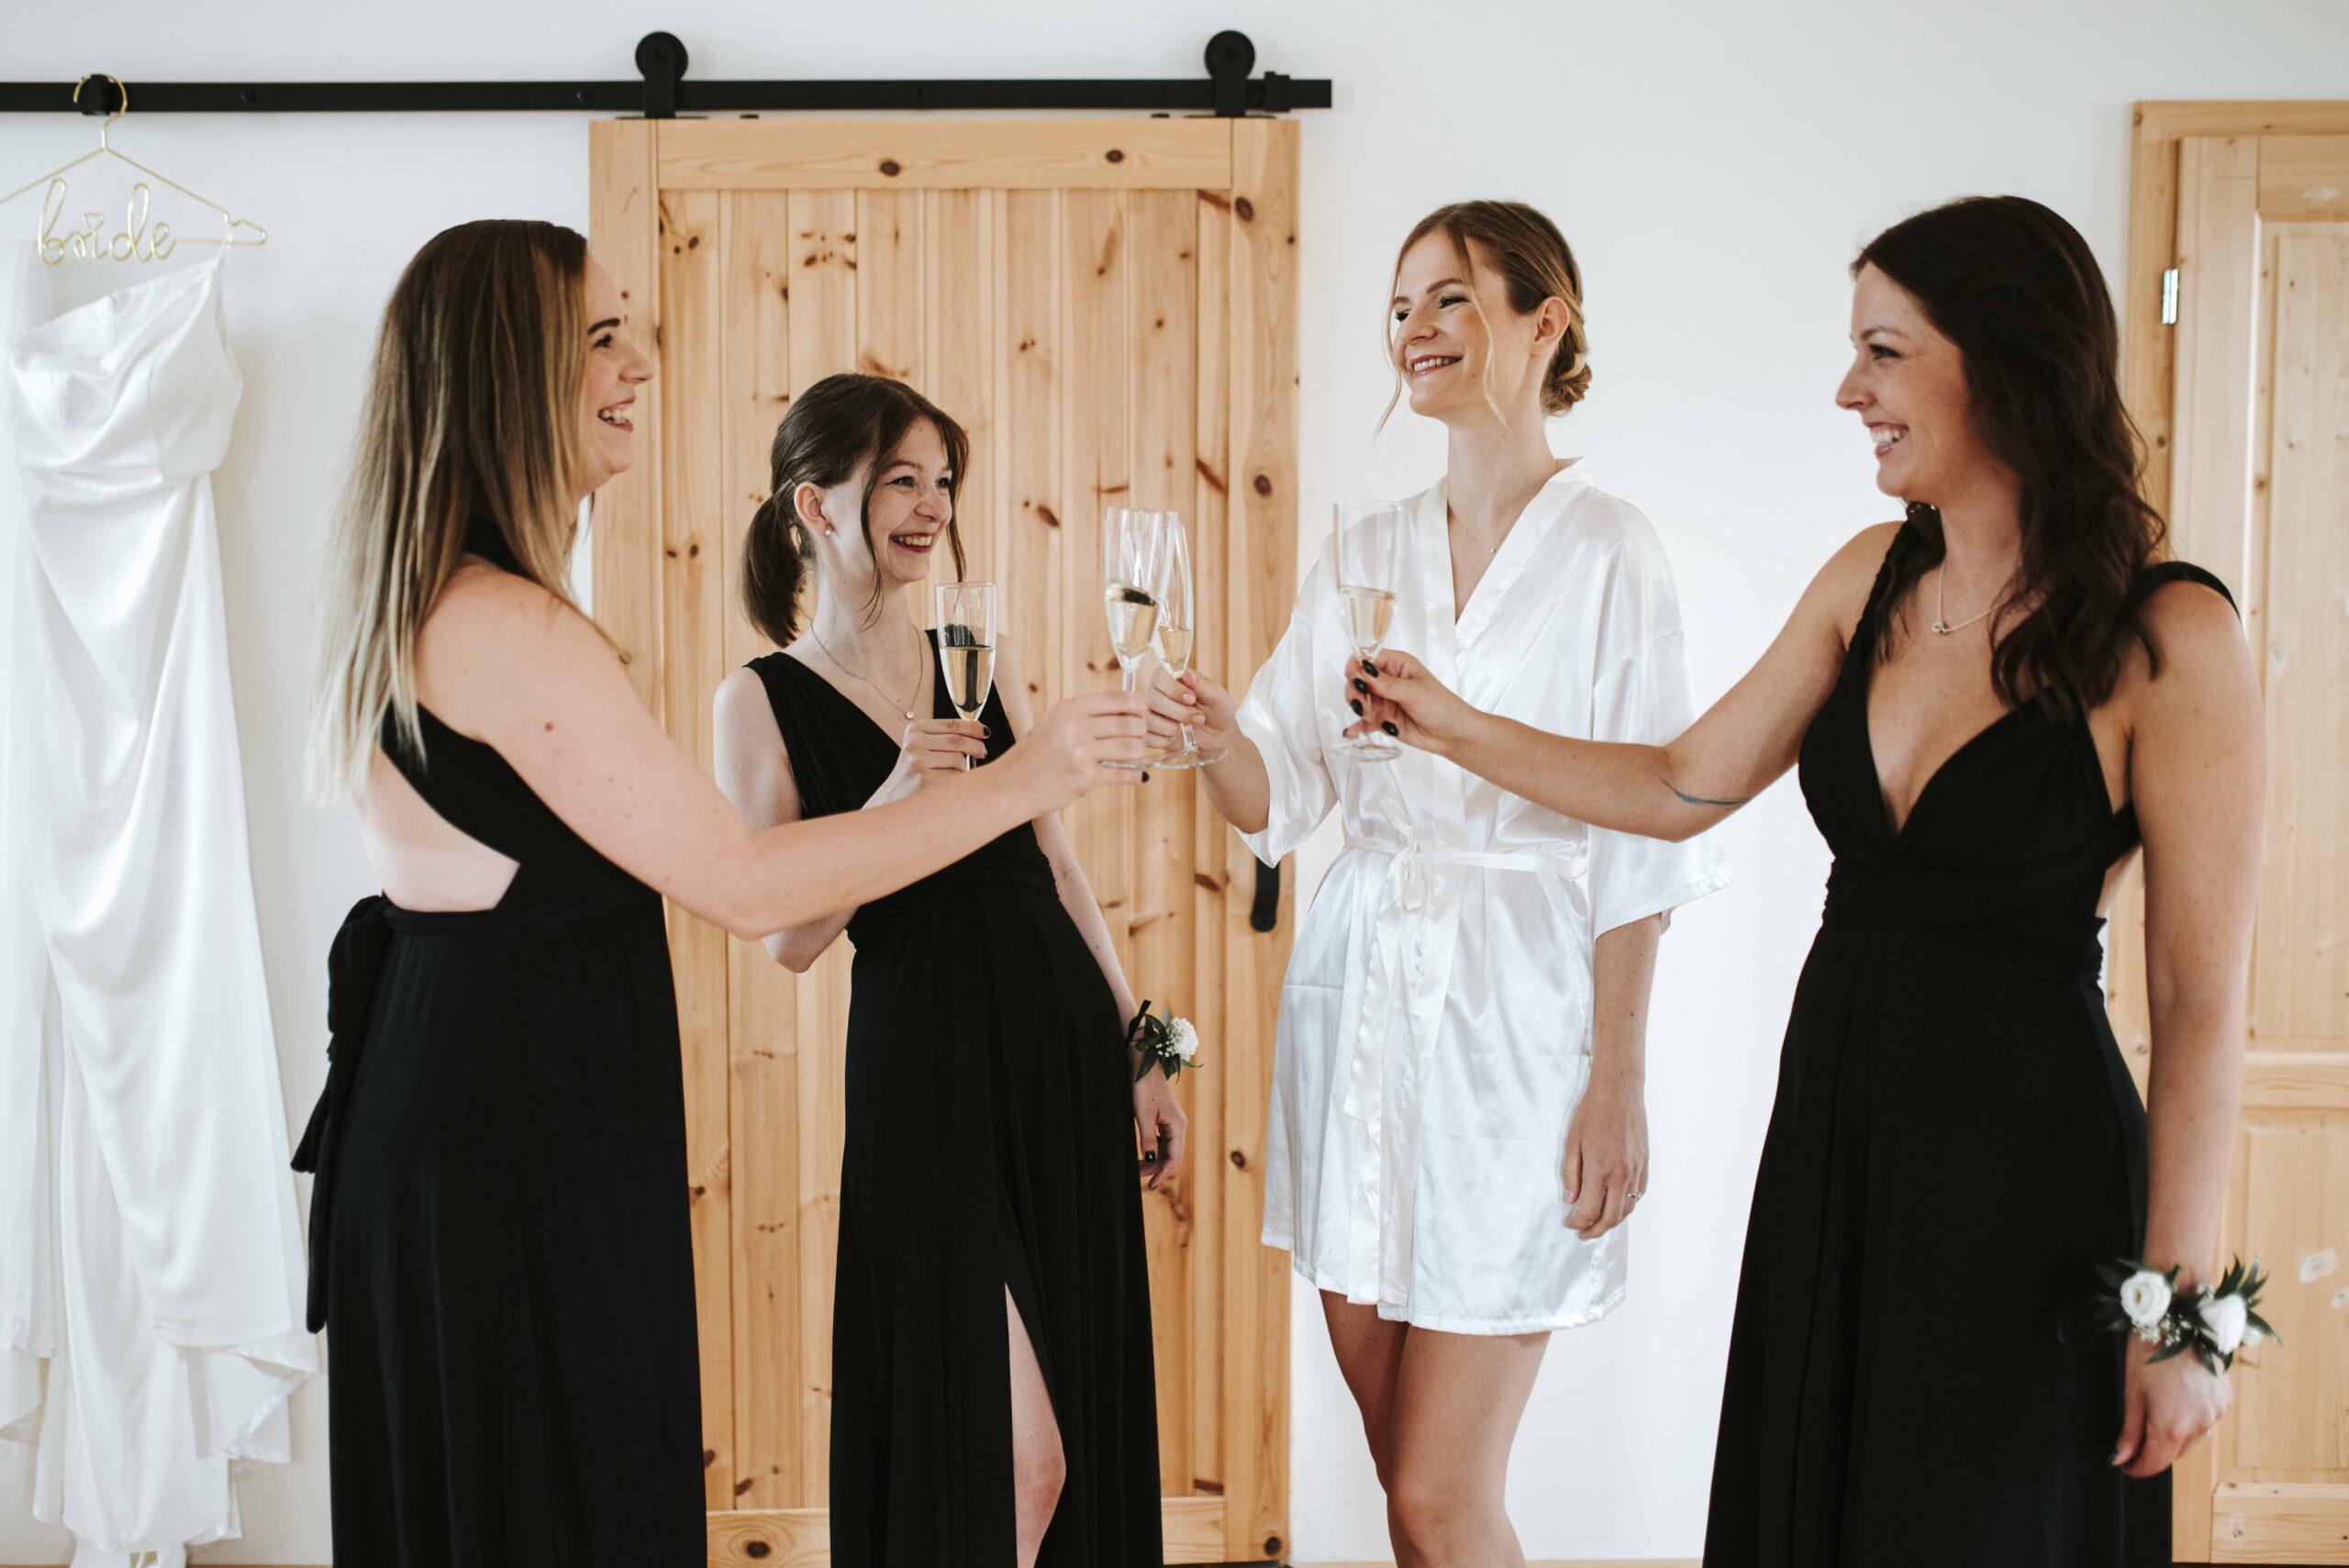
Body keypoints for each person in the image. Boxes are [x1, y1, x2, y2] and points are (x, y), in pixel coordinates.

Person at [1352, 195, 2261, 1565]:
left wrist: (2177, 1309)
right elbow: (1680, 783)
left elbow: (2197, 1004)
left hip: (2032, 1177)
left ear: (2006, 362)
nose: (1850, 391)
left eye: (1884, 353)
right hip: (1840, 1136)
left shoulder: (2172, 632)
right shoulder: (1874, 577)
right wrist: (1451, 723)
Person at [300, 222, 1148, 1568]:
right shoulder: (510, 625)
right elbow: (753, 892)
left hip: (488, 1106)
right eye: (601, 337)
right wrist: (1025, 771)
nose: (640, 362)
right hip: (508, 1126)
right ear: (511, 370)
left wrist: (1135, 1034)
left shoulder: (447, 601)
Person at [1148, 200, 1730, 1566]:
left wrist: (1617, 1076)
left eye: (1451, 297)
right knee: (1405, 1476)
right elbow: (1283, 794)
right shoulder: (1363, 551)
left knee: (1437, 1491)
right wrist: (1214, 733)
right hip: (1357, 1014)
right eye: (1402, 305)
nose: (1414, 328)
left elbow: (1645, 833)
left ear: (1546, 322)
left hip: (1518, 1027)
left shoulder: (1610, 551)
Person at [711, 373, 1175, 1568]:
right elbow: (788, 934)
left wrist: (1141, 1046)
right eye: (902, 480)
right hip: (927, 1074)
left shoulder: (973, 649)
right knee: (1018, 1456)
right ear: (816, 504)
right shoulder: (758, 700)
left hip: (1056, 1048)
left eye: (944, 481)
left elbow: (1056, 859)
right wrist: (896, 794)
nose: (933, 506)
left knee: (1076, 1423)